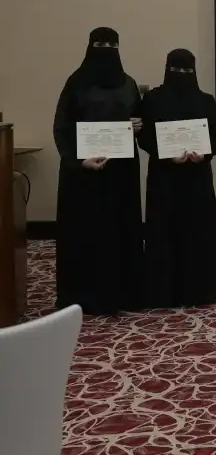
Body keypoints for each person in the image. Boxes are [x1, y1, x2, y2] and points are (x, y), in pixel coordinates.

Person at [52, 27, 144, 315]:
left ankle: (123, 293)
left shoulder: (128, 84)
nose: (106, 51)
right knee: (85, 235)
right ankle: (82, 295)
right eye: (100, 45)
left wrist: (138, 125)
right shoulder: (76, 84)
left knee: (120, 232)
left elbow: (139, 120)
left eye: (111, 46)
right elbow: (61, 128)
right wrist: (78, 161)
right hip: (84, 177)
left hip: (121, 175)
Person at [139, 49, 216, 308]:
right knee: (163, 231)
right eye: (176, 71)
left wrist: (205, 154)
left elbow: (214, 136)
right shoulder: (152, 100)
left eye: (187, 71)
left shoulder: (206, 101)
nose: (182, 76)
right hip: (164, 179)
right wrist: (165, 155)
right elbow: (144, 136)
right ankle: (163, 289)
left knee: (197, 231)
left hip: (196, 177)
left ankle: (199, 288)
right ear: (167, 70)